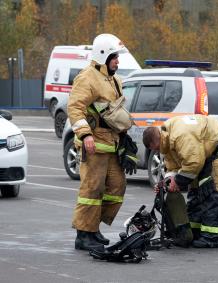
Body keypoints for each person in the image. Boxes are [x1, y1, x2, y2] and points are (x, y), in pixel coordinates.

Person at [68, 34, 131, 251]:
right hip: (94, 145)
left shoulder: (114, 79)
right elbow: (75, 108)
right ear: (103, 55)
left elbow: (115, 113)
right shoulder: (87, 78)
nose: (117, 61)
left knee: (116, 187)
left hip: (112, 145)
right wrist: (85, 135)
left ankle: (93, 228)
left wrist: (124, 139)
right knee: (92, 189)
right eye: (114, 57)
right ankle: (84, 234)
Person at [143, 115, 218, 248]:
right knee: (196, 191)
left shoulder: (179, 135)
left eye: (156, 148)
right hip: (206, 152)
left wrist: (177, 182)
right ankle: (193, 232)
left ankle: (213, 237)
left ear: (158, 139)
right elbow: (173, 165)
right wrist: (167, 181)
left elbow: (194, 162)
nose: (156, 151)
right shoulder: (166, 140)